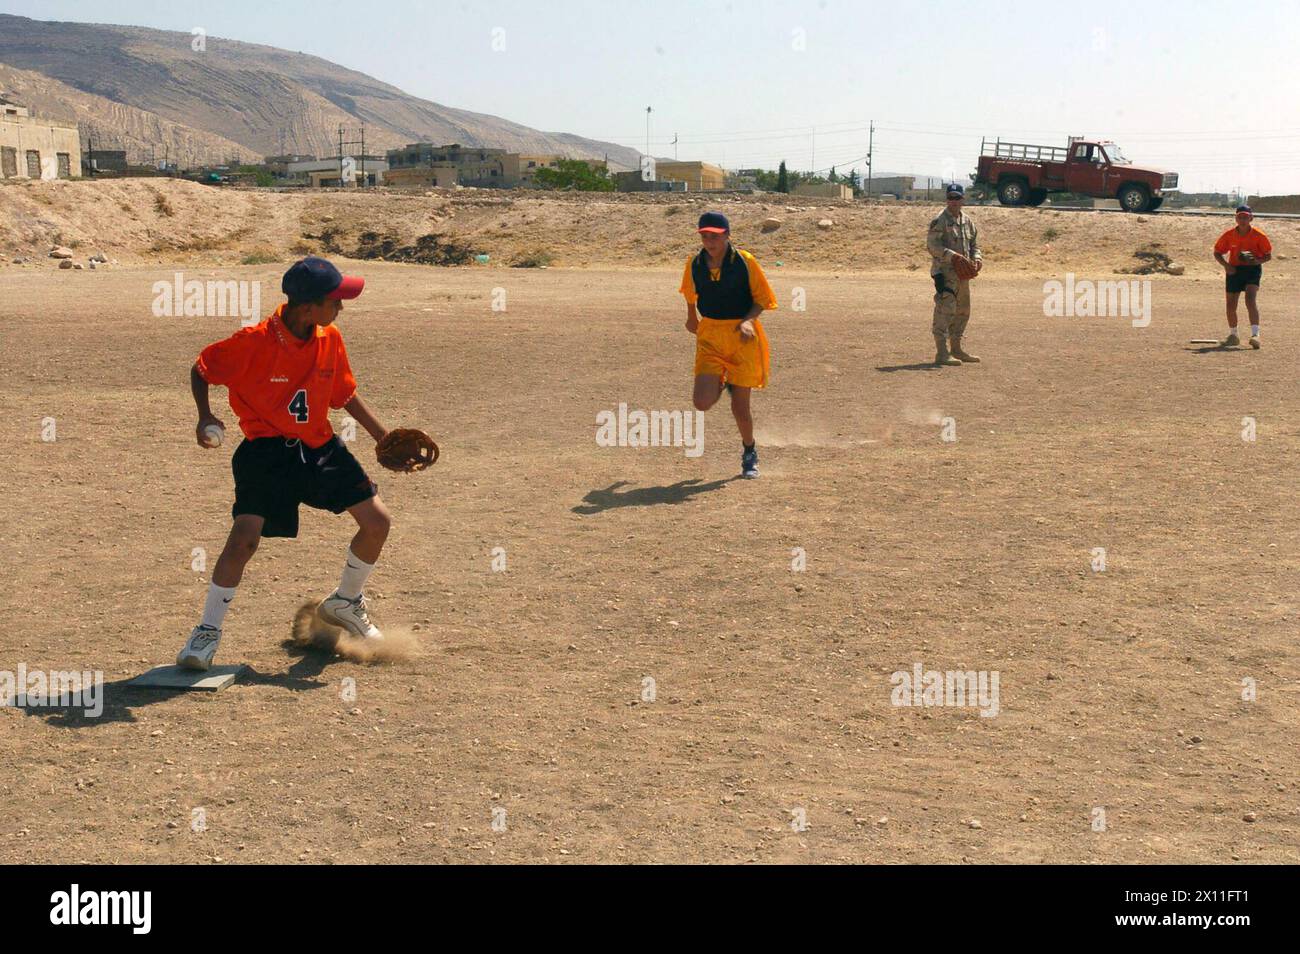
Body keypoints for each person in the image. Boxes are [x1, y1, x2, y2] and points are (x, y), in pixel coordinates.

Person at [176, 257, 395, 670]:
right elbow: (202, 369)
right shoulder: (252, 342)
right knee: (244, 540)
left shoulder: (330, 338)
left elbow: (343, 394)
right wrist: (205, 415)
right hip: (265, 453)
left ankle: (345, 602)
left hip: (319, 448)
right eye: (335, 301)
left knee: (377, 522)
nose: (341, 309)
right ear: (307, 307)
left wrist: (380, 435)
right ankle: (206, 632)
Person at [679, 211, 778, 478]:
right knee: (701, 402)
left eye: (715, 236)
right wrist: (691, 316)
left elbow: (762, 298)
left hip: (741, 336)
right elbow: (690, 292)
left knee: (740, 408)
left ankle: (749, 452)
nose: (709, 241)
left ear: (727, 235)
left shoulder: (745, 262)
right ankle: (720, 380)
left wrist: (748, 321)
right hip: (710, 334)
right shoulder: (695, 263)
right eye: (705, 236)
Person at [926, 183, 982, 366]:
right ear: (947, 199)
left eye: (957, 198)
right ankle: (942, 352)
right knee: (945, 310)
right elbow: (932, 246)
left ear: (963, 200)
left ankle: (956, 349)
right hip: (945, 273)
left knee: (963, 310)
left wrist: (977, 258)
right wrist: (953, 256)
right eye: (951, 198)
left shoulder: (967, 221)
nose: (954, 201)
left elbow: (975, 244)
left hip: (963, 275)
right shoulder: (939, 220)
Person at [1213, 205, 1272, 349]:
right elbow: (1217, 252)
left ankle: (1255, 335)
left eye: (1246, 217)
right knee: (1230, 304)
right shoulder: (1229, 235)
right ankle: (1234, 335)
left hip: (1252, 270)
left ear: (1251, 218)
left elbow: (1268, 255)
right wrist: (1226, 266)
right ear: (1236, 218)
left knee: (1250, 300)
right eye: (1240, 216)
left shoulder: (1259, 235)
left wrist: (1256, 261)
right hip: (1234, 270)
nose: (1243, 220)